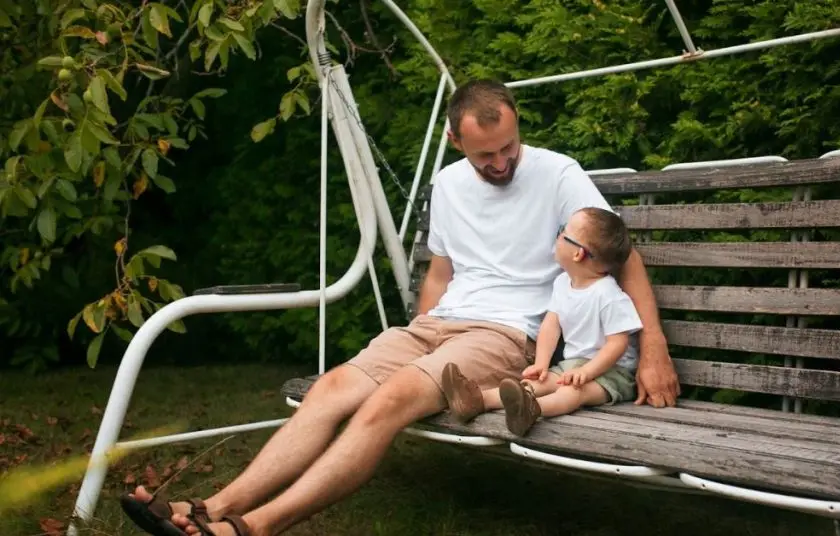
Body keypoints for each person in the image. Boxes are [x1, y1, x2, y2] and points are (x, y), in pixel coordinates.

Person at [119, 78, 680, 536]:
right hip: (440, 324)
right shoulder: (448, 184)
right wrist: (422, 325)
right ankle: (212, 508)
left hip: (509, 334)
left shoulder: (557, 173)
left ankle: (254, 528)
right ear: (456, 141)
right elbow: (441, 268)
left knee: (389, 400)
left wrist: (652, 345)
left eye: (510, 146)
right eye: (487, 154)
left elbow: (621, 256)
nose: (504, 162)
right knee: (332, 388)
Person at [441, 206, 642, 436]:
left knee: (574, 392)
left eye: (562, 232)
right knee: (537, 384)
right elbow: (551, 324)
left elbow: (618, 343)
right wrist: (541, 363)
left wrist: (587, 371)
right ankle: (477, 400)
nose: (557, 236)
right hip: (574, 365)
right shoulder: (562, 284)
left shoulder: (608, 295)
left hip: (613, 373)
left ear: (578, 254)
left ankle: (532, 411)